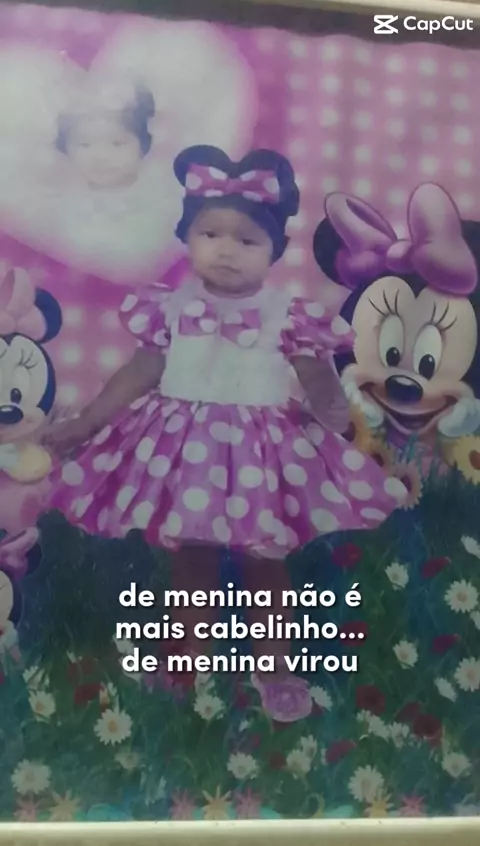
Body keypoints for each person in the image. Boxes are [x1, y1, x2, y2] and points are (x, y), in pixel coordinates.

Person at [44, 145, 406, 710]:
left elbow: (318, 379)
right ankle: (182, 666)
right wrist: (89, 420)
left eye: (247, 240)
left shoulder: (285, 315)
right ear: (186, 238)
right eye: (210, 234)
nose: (226, 250)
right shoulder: (170, 307)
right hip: (183, 452)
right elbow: (140, 371)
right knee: (191, 560)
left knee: (267, 561)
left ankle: (275, 670)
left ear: (275, 250)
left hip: (261, 453)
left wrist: (336, 421)